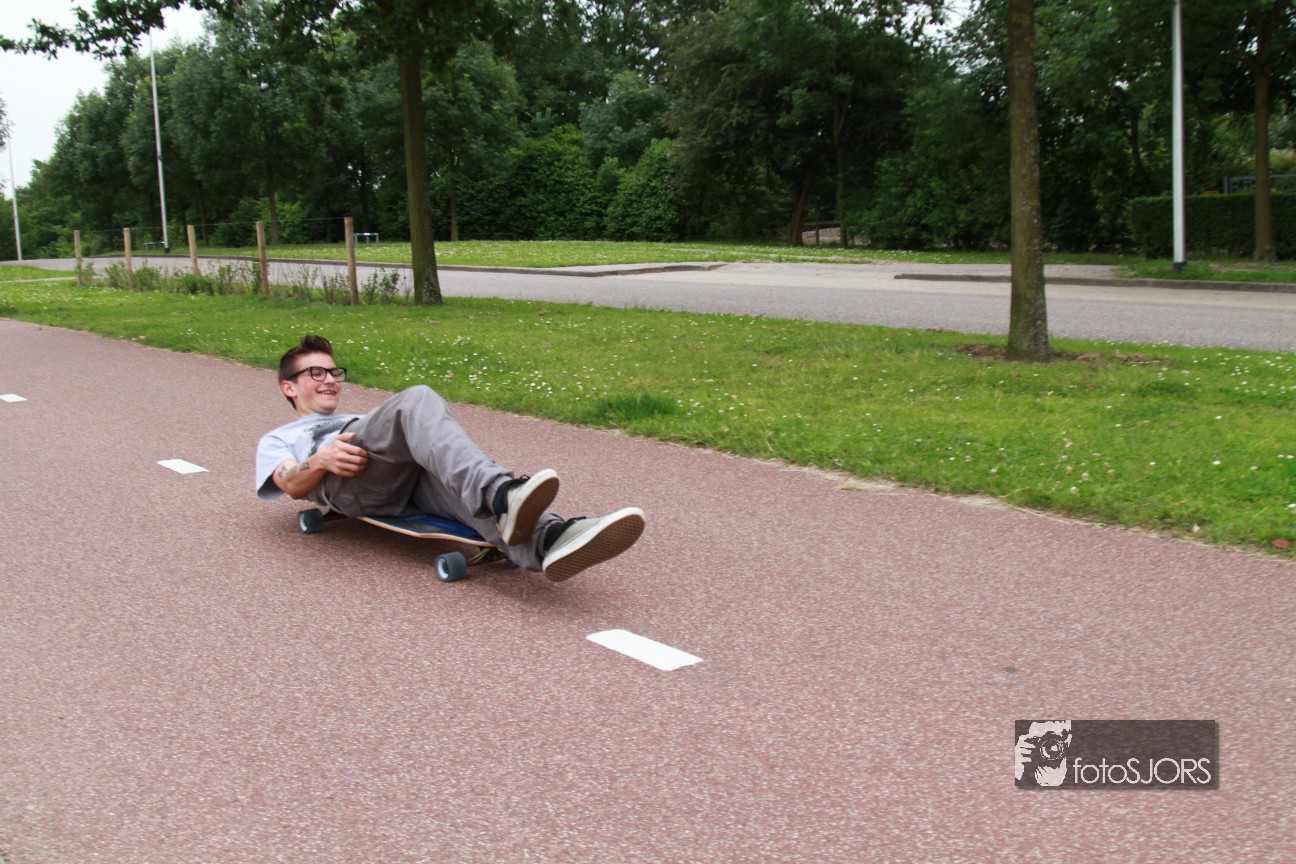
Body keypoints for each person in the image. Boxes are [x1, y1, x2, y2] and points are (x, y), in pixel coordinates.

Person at [255, 334, 645, 582]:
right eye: (316, 373)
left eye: (334, 372)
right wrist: (321, 459)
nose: (330, 379)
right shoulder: (279, 438)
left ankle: (549, 540)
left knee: (454, 476)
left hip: (402, 482)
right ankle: (500, 493)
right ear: (288, 387)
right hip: (348, 482)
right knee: (416, 399)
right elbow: (290, 484)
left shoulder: (359, 418)